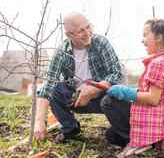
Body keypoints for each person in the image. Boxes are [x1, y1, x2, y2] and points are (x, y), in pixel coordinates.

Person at [34, 13, 131, 145]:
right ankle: (70, 128)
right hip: (79, 100)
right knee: (56, 89)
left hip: (105, 97)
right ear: (69, 35)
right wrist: (39, 122)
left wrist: (93, 89)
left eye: (88, 27)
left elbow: (116, 73)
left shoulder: (101, 43)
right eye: (81, 30)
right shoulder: (61, 53)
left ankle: (125, 131)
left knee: (112, 105)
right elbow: (47, 87)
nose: (87, 33)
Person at [107, 19, 164, 157]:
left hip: (155, 123)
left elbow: (153, 99)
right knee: (111, 135)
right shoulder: (163, 60)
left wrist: (126, 92)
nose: (143, 40)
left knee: (108, 102)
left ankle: (146, 142)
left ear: (159, 37)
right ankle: (150, 141)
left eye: (145, 34)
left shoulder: (158, 63)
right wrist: (130, 90)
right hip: (159, 121)